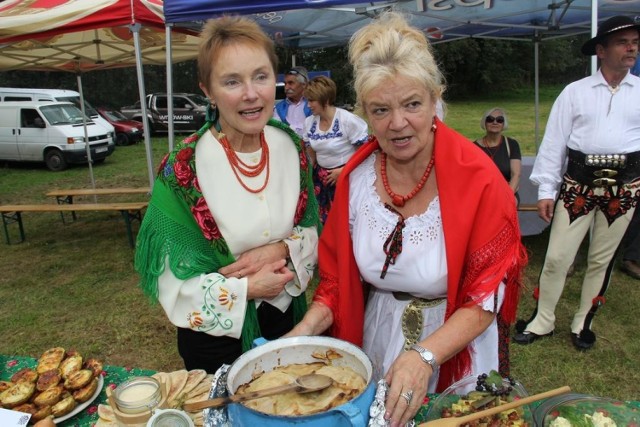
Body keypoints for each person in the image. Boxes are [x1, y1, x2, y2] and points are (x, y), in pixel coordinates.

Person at [286, 12, 527, 427]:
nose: (398, 124)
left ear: (436, 99)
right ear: (363, 112)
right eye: (381, 110)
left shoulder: (481, 180)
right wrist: (300, 334)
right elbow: (335, 282)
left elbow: (488, 295)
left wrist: (425, 356)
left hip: (453, 343)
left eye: (412, 104)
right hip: (377, 332)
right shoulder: (357, 181)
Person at [134, 16, 320, 374]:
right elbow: (171, 278)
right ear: (208, 91)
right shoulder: (183, 168)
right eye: (232, 81)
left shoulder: (291, 147)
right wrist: (246, 288)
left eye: (261, 76)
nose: (251, 94)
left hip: (286, 323)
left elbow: (310, 228)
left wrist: (283, 249)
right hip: (215, 344)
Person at [514, 15, 640, 351]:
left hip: (623, 192)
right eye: (622, 42)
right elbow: (554, 143)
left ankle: (584, 320)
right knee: (557, 257)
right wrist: (545, 190)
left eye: (634, 42)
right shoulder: (576, 92)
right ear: (601, 50)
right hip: (577, 189)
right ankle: (543, 319)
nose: (631, 47)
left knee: (602, 259)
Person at [302, 75, 369, 224]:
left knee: (346, 218)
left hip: (347, 175)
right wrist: (308, 173)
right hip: (322, 178)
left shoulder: (348, 120)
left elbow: (364, 152)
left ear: (324, 100)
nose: (308, 105)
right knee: (324, 220)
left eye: (311, 100)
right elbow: (311, 152)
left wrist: (344, 171)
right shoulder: (309, 122)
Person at [473, 108, 522, 205]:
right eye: (490, 119)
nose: (495, 122)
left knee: (503, 206)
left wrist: (506, 195)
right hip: (482, 194)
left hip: (507, 192)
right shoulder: (474, 147)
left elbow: (516, 174)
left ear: (503, 124)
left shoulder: (512, 144)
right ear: (484, 123)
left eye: (499, 120)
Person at [272, 66, 312, 137]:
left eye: (291, 83)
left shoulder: (314, 104)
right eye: (285, 84)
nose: (286, 87)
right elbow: (278, 133)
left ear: (304, 84)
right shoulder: (278, 108)